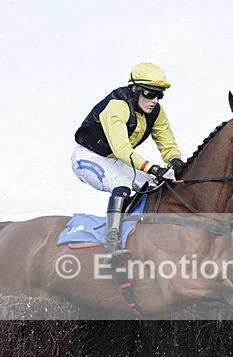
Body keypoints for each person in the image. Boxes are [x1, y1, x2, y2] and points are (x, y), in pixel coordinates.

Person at [72, 62, 185, 265]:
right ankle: (112, 244)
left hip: (115, 159)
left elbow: (166, 141)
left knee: (154, 187)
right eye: (150, 94)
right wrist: (153, 168)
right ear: (135, 89)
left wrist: (175, 160)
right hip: (88, 157)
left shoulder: (156, 111)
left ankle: (145, 237)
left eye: (159, 95)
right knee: (121, 184)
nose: (155, 100)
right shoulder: (117, 106)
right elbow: (122, 149)